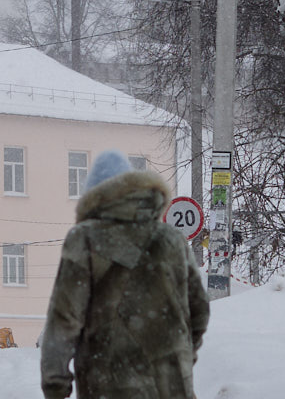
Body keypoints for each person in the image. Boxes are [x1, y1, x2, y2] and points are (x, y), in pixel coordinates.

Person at [41, 150, 210, 399]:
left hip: (108, 386)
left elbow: (64, 319)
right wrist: (177, 358)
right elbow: (199, 311)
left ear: (94, 197)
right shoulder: (171, 239)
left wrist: (55, 384)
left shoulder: (85, 239)